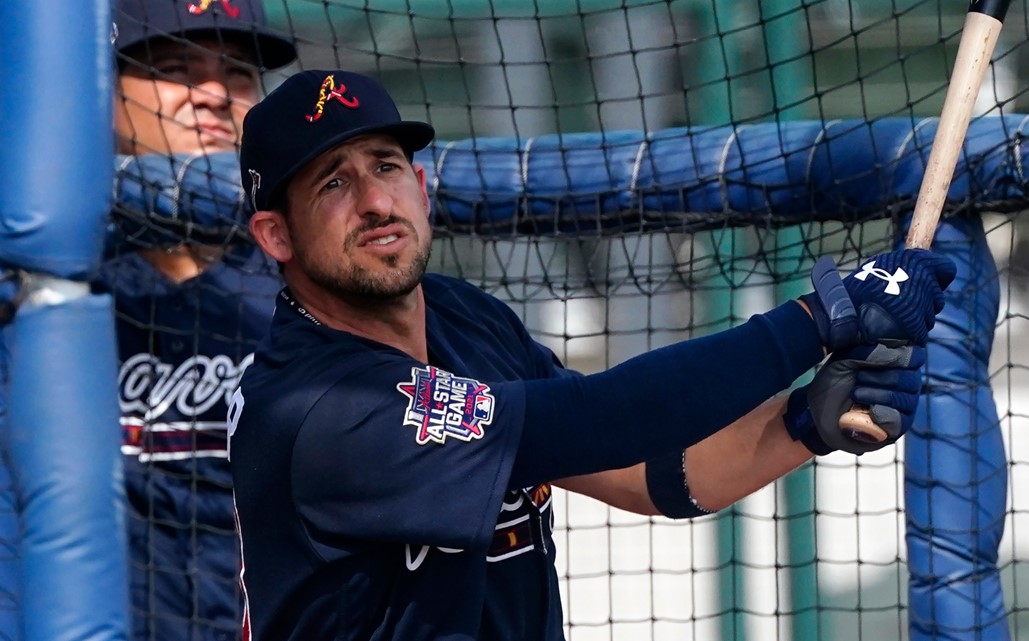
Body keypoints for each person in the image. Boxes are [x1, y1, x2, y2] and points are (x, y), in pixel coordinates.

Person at [227, 68, 957, 641]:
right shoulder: (315, 406)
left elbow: (653, 471)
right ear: (276, 236)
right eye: (332, 183)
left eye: (385, 166)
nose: (374, 201)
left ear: (419, 187)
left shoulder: (463, 319)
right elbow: (596, 419)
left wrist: (807, 422)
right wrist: (818, 319)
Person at [100, 1, 296, 639]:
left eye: (237, 74)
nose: (213, 94)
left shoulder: (317, 279)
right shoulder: (46, 282)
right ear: (102, 92)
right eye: (178, 68)